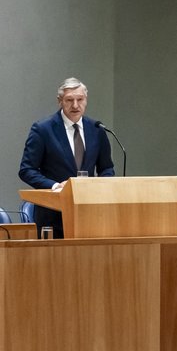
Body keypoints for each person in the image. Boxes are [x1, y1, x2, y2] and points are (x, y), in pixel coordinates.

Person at [18, 77, 115, 238]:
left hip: (89, 213)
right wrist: (56, 186)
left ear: (86, 100)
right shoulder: (43, 129)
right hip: (53, 216)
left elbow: (107, 168)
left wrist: (99, 186)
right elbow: (27, 170)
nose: (75, 105)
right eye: (69, 100)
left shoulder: (97, 129)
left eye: (80, 99)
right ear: (60, 101)